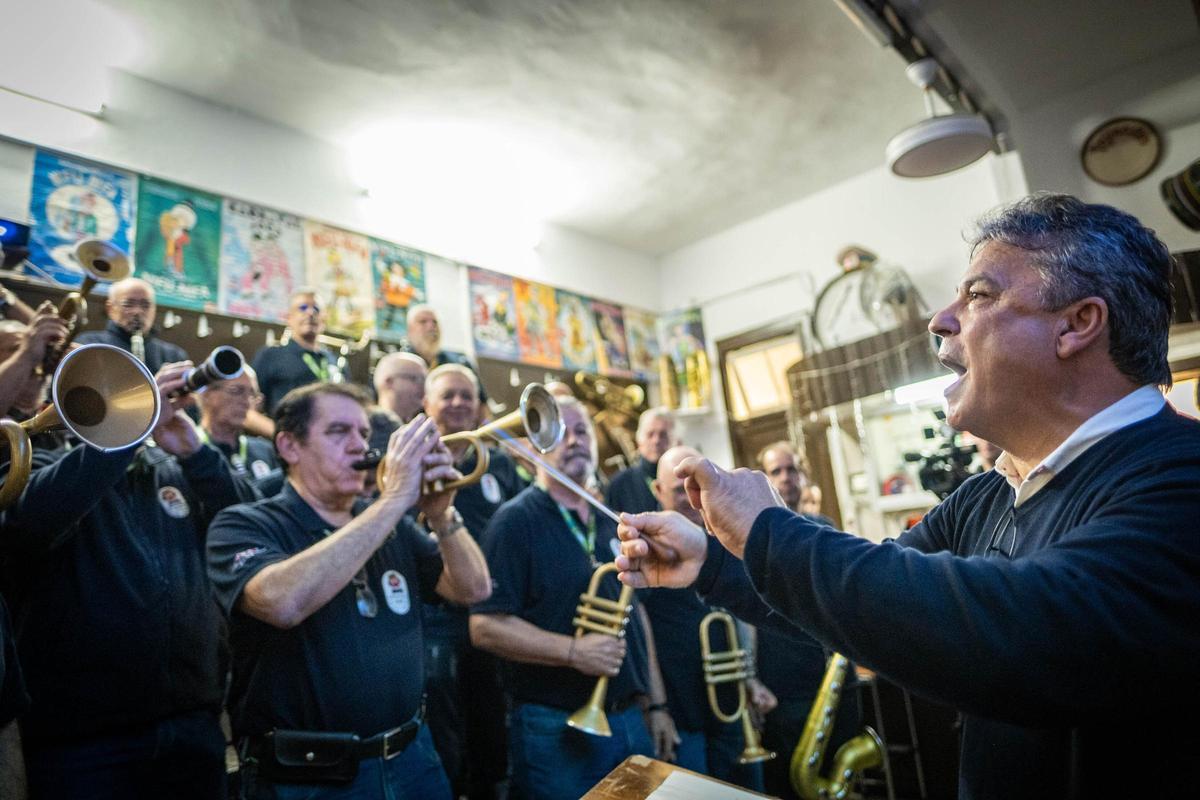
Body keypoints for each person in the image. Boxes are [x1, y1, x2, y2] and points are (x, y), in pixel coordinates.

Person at [615, 194, 1200, 799]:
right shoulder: (987, 496)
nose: (940, 319)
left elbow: (1029, 629)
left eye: (978, 296)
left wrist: (770, 528)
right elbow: (865, 602)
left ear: (1077, 324)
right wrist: (712, 559)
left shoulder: (1180, 476)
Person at [206, 383, 491, 800]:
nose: (359, 446)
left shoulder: (384, 520)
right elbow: (282, 604)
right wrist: (393, 500)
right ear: (288, 446)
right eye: (339, 432)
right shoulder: (243, 523)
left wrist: (441, 513)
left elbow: (473, 589)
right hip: (309, 779)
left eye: (362, 433)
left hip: (412, 757)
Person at [0, 359, 257, 799]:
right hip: (84, 743)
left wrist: (198, 454)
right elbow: (29, 522)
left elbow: (247, 522)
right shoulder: (36, 461)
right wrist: (125, 433)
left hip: (193, 725)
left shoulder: (172, 468)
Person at [469, 396, 672, 800]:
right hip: (553, 724)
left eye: (582, 431)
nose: (574, 440)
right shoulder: (514, 521)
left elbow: (635, 616)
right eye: (560, 432)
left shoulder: (610, 520)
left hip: (630, 716)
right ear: (534, 447)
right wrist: (573, 651)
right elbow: (484, 627)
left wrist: (657, 705)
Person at [639, 445, 774, 791]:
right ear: (657, 492)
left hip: (731, 707)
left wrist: (750, 677)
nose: (689, 497)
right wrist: (656, 706)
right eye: (677, 490)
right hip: (682, 712)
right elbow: (642, 631)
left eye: (694, 485)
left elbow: (745, 611)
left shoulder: (726, 534)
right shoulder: (648, 549)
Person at [420, 364, 524, 800]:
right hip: (439, 614)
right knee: (444, 721)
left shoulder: (498, 464)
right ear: (426, 404)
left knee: (492, 717)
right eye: (448, 395)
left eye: (467, 395)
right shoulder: (413, 459)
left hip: (494, 609)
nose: (459, 403)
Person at [753, 442, 860, 800]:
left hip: (835, 681)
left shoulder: (824, 526)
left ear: (803, 476)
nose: (786, 478)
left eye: (791, 469)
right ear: (764, 481)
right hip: (785, 690)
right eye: (776, 471)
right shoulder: (753, 540)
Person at [250, 288, 340, 424]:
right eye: (303, 308)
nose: (310, 313)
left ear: (324, 318)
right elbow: (248, 412)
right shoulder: (271, 355)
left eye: (316, 309)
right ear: (289, 318)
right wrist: (281, 437)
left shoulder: (334, 361)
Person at [75, 277, 188, 373]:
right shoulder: (88, 344)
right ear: (110, 308)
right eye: (128, 304)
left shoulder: (174, 356)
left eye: (145, 305)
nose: (137, 311)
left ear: (154, 310)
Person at [196, 364, 278, 483]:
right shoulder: (187, 452)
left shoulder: (265, 451)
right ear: (206, 394)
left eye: (252, 395)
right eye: (236, 391)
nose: (246, 402)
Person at [402, 305, 488, 408]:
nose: (431, 326)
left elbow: (482, 406)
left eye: (435, 322)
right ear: (409, 331)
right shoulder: (399, 365)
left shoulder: (460, 362)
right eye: (423, 322)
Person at [605, 407, 675, 515]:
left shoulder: (684, 480)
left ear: (674, 440)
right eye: (650, 434)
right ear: (639, 440)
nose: (656, 441)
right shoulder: (619, 485)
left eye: (663, 434)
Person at [373, 351, 428, 423]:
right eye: (415, 379)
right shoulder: (365, 426)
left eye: (424, 380)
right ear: (389, 382)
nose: (424, 386)